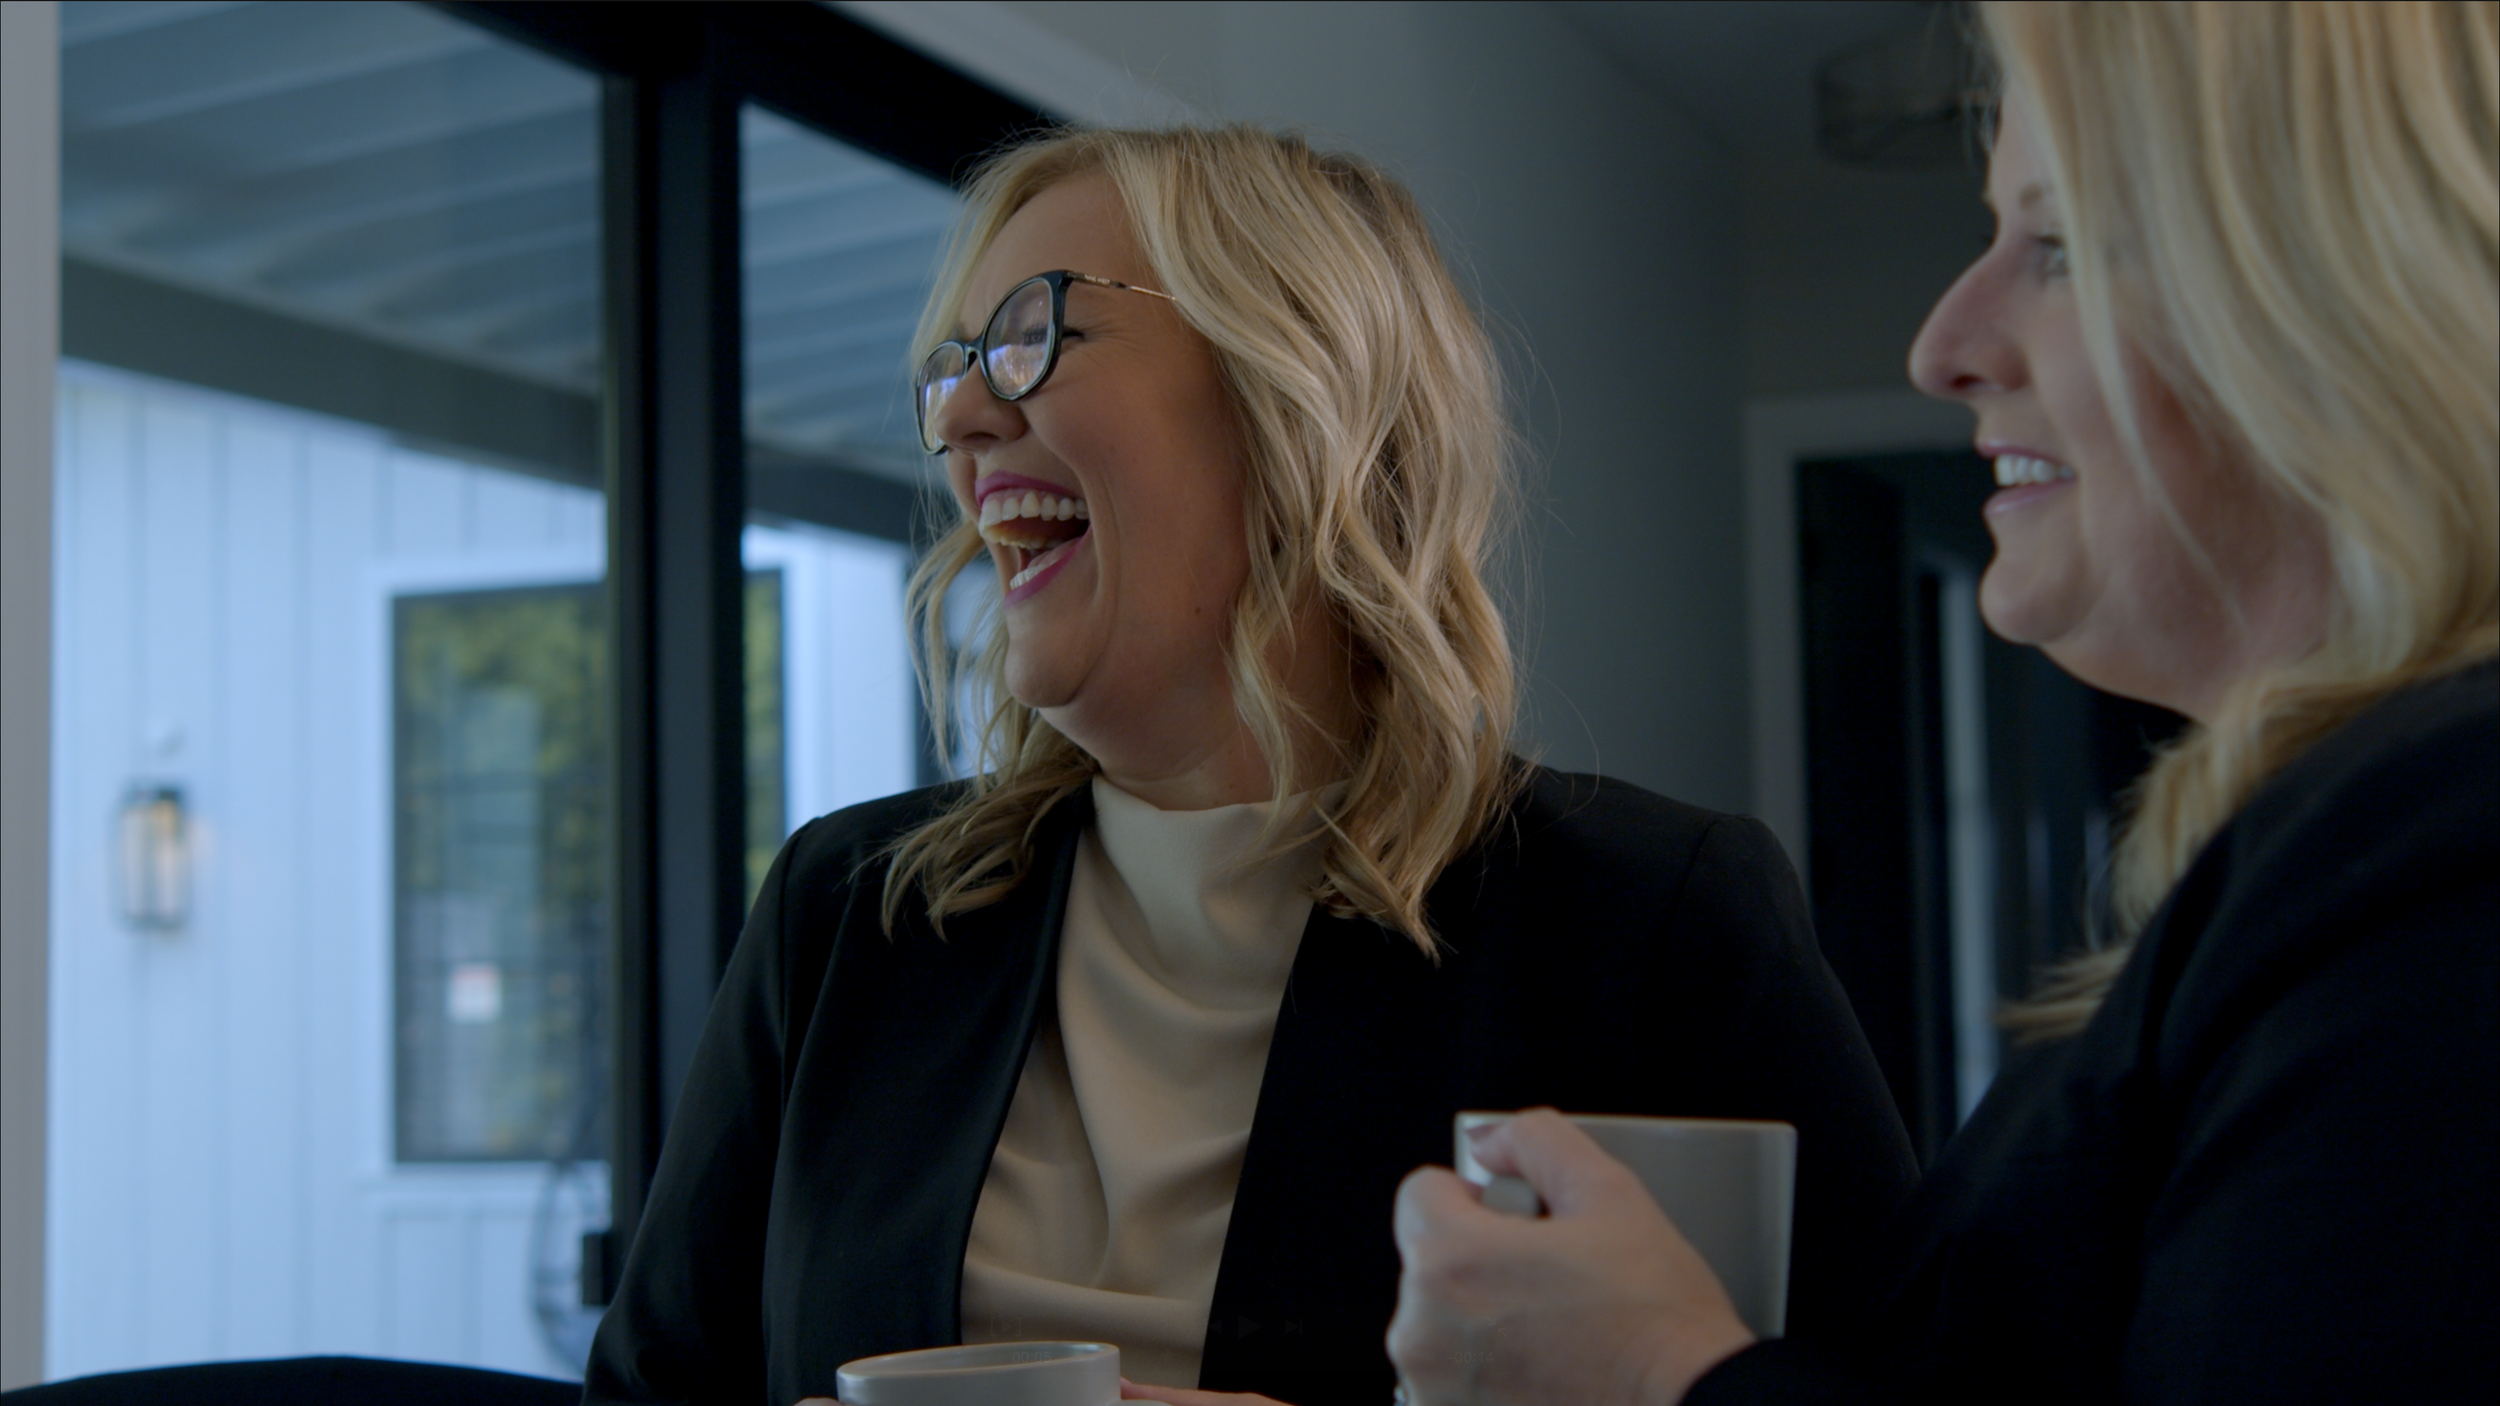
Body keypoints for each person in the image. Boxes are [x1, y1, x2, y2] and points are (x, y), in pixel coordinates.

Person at [581, 127, 1919, 1406]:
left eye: (1035, 331)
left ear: (1297, 392)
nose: (963, 420)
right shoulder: (847, 911)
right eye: (954, 363)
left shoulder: (1652, 924)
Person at [1384, 2, 2499, 1402]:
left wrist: (1662, 1373)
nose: (1941, 344)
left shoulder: (2445, 840)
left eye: (2064, 243)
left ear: (2359, 286)